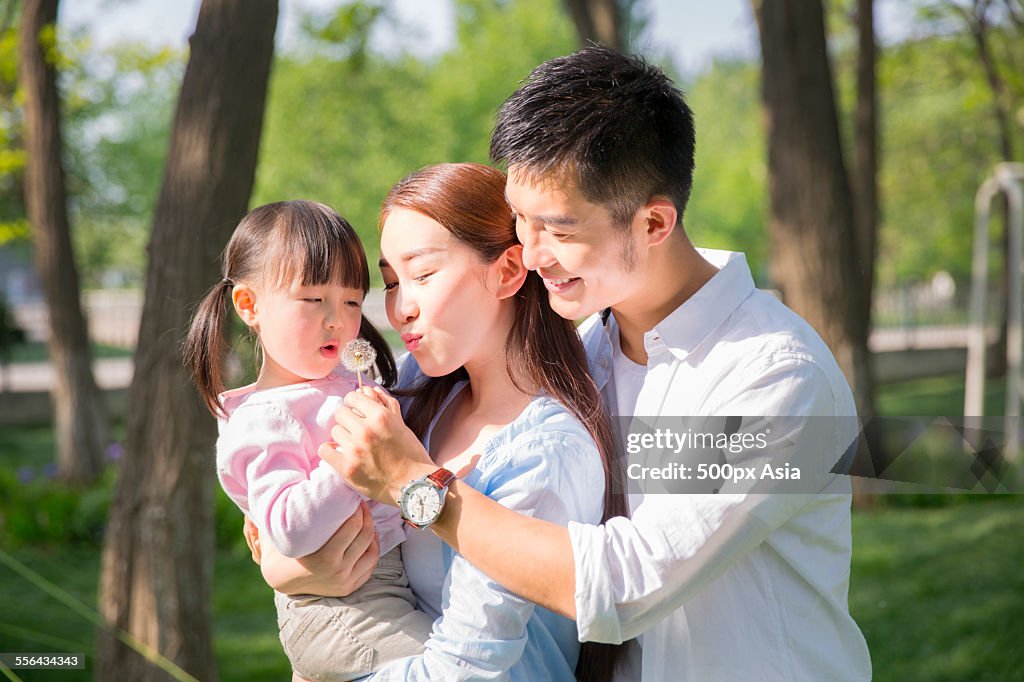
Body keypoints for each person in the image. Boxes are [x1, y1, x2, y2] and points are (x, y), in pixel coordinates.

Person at [318, 46, 874, 681]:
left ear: (654, 223)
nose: (530, 253)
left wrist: (414, 486)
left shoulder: (771, 375)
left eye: (558, 230)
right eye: (521, 222)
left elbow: (624, 584)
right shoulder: (587, 349)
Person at [252, 164, 629, 680]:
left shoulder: (546, 451)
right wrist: (288, 570)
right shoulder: (418, 391)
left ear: (507, 272)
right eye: (389, 282)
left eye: (423, 275)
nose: (400, 307)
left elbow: (470, 668)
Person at [183, 200, 433, 682]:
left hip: (384, 586)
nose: (336, 319)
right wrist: (357, 461)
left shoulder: (347, 382)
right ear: (249, 305)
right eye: (313, 300)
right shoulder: (263, 418)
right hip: (339, 608)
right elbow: (288, 529)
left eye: (353, 301)